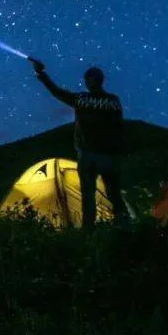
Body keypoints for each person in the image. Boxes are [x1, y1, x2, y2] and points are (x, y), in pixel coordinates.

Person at [28, 57, 129, 229]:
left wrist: (41, 74)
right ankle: (124, 226)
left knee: (90, 196)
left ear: (95, 80)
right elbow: (119, 128)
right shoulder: (112, 100)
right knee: (112, 194)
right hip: (107, 156)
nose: (87, 82)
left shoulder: (82, 99)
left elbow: (56, 92)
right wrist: (41, 74)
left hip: (92, 155)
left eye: (89, 79)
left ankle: (90, 231)